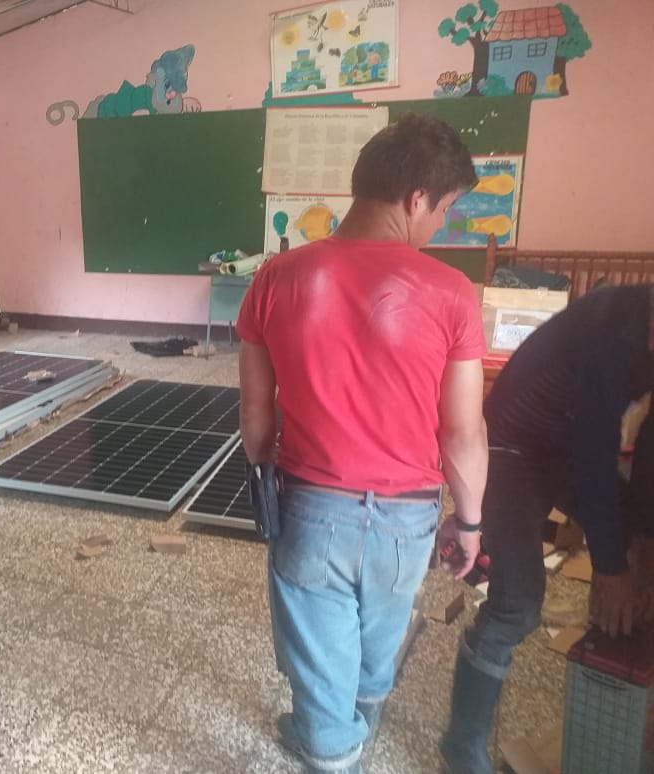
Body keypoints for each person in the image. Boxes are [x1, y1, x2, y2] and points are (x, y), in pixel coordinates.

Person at [236, 113, 490, 774]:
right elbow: (463, 433)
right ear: (415, 200)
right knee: (382, 630)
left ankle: (328, 745)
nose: (440, 226)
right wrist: (468, 523)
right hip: (408, 518)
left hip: (312, 508)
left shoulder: (277, 277)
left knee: (319, 655)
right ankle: (363, 716)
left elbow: (257, 423)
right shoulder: (453, 293)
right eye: (445, 210)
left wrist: (268, 479)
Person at [439, 283, 654, 774]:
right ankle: (461, 745)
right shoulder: (615, 332)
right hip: (509, 451)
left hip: (561, 451)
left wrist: (641, 541)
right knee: (517, 603)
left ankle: (611, 665)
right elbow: (597, 454)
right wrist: (612, 566)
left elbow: (646, 448)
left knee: (634, 540)